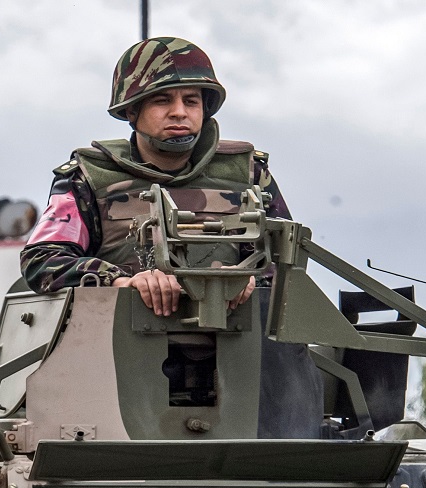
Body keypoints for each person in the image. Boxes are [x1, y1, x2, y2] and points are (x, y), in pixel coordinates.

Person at [21, 36, 291, 317]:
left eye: (191, 101)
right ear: (132, 110)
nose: (179, 112)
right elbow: (42, 259)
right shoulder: (89, 178)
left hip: (238, 347)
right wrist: (120, 280)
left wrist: (251, 279)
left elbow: (285, 259)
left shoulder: (246, 173)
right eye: (162, 101)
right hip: (125, 347)